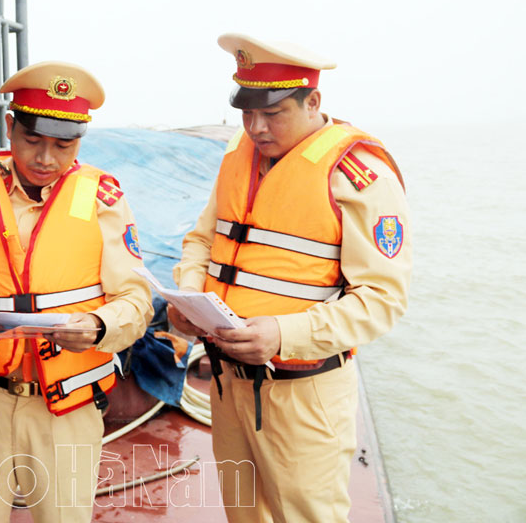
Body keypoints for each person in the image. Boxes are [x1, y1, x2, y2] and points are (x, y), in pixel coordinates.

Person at [168, 34, 412, 522]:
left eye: (273, 113)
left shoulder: (359, 177)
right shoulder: (238, 157)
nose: (256, 127)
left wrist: (283, 333)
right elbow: (201, 240)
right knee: (242, 514)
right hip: (227, 387)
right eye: (246, 113)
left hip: (303, 395)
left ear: (313, 101)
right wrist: (189, 296)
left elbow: (382, 300)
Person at [0, 61, 152, 523]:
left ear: (80, 141)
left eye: (64, 146)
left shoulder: (102, 200)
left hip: (66, 410)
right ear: (10, 127)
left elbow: (137, 301)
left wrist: (98, 325)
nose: (46, 158)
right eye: (32, 140)